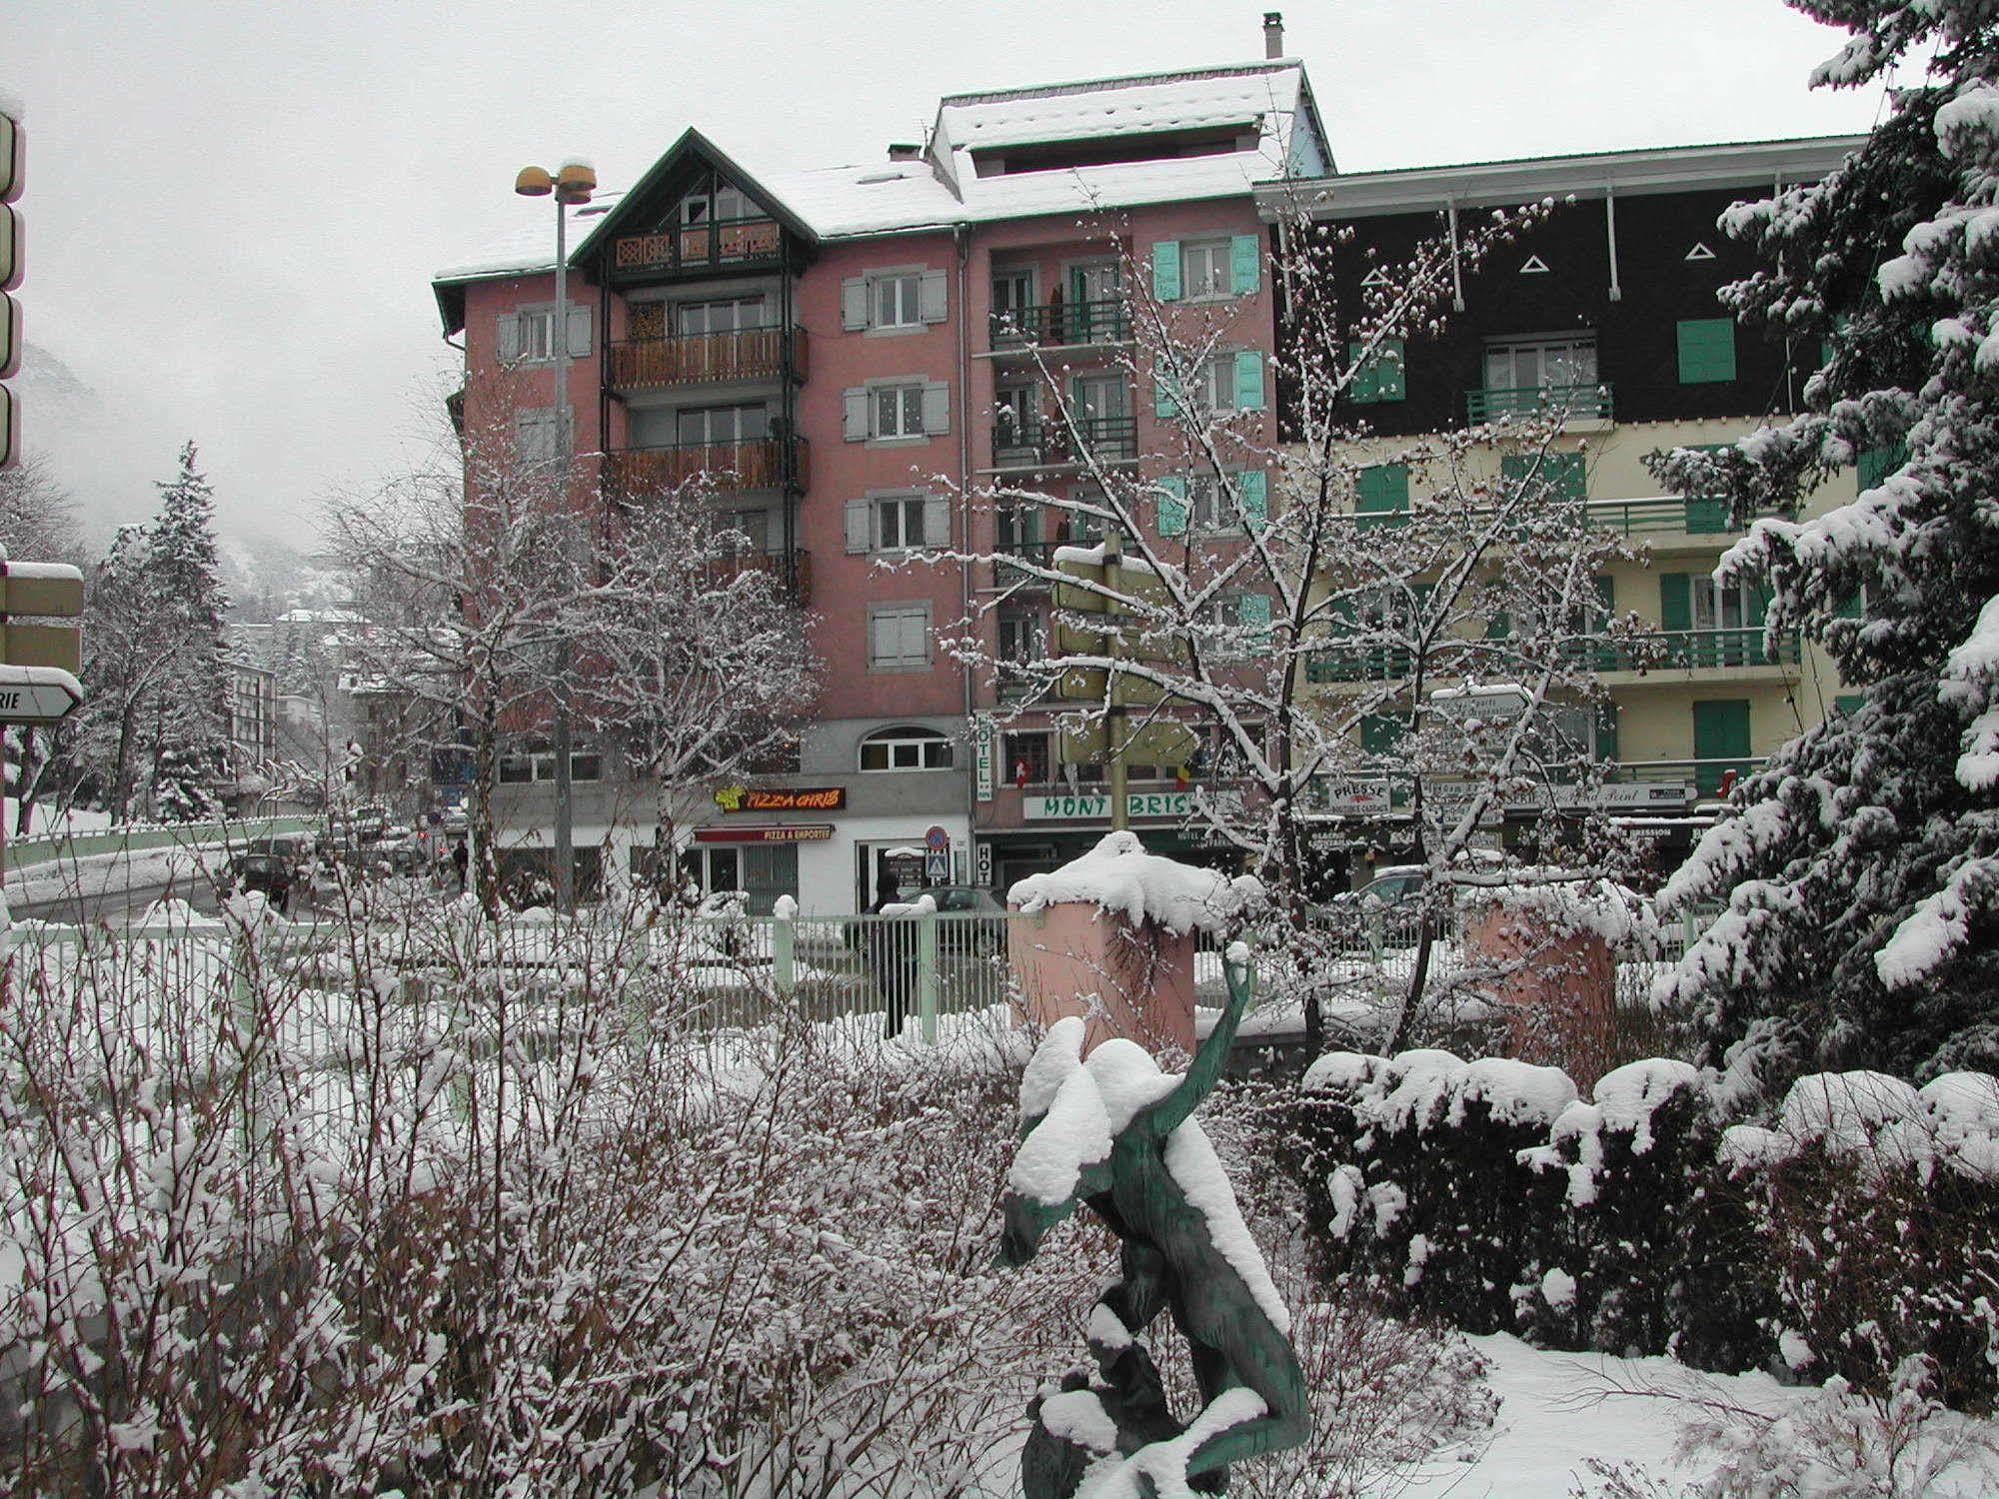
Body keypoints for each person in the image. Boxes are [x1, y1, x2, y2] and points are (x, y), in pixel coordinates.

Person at [866, 868, 917, 1038]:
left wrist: (868, 955)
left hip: (880, 967)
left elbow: (855, 933)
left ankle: (891, 1035)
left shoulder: (871, 911)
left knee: (893, 1003)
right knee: (900, 1004)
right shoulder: (902, 908)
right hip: (903, 965)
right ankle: (892, 1036)